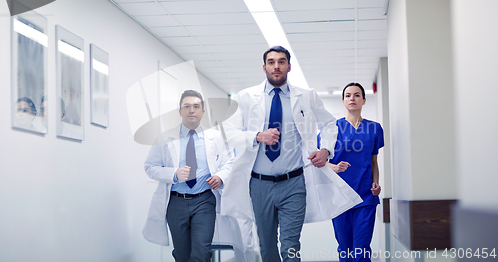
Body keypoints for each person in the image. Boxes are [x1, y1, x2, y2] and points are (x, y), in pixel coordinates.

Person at [222, 46, 362, 262]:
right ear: (264, 67)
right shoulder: (246, 97)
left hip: (294, 183)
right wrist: (258, 136)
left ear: (289, 66)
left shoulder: (306, 96)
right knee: (267, 245)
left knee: (290, 246)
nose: (276, 66)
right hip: (259, 185)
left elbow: (329, 124)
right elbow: (228, 132)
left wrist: (325, 150)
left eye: (281, 61)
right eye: (271, 62)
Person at [142, 90, 233, 261]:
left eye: (196, 106)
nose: (192, 110)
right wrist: (174, 174)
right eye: (187, 106)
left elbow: (229, 162)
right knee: (182, 254)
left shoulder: (215, 137)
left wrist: (220, 176)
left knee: (201, 251)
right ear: (180, 111)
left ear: (202, 112)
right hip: (176, 203)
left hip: (204, 201)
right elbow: (150, 167)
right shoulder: (164, 138)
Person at [319, 82, 384, 262]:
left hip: (365, 196)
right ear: (343, 101)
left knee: (361, 250)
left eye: (356, 95)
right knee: (345, 250)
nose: (352, 98)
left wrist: (376, 183)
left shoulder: (374, 128)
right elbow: (319, 161)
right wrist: (334, 167)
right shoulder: (332, 128)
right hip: (339, 196)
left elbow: (373, 161)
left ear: (364, 100)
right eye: (348, 95)